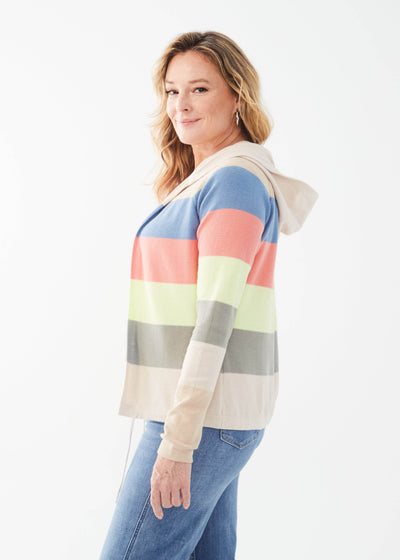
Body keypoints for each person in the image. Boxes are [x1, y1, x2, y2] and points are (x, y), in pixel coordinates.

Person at [99, 30, 318, 560]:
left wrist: (178, 443)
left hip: (199, 419)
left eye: (199, 89)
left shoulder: (234, 182)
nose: (181, 104)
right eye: (172, 91)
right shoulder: (209, 178)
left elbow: (215, 320)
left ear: (237, 96)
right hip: (207, 415)